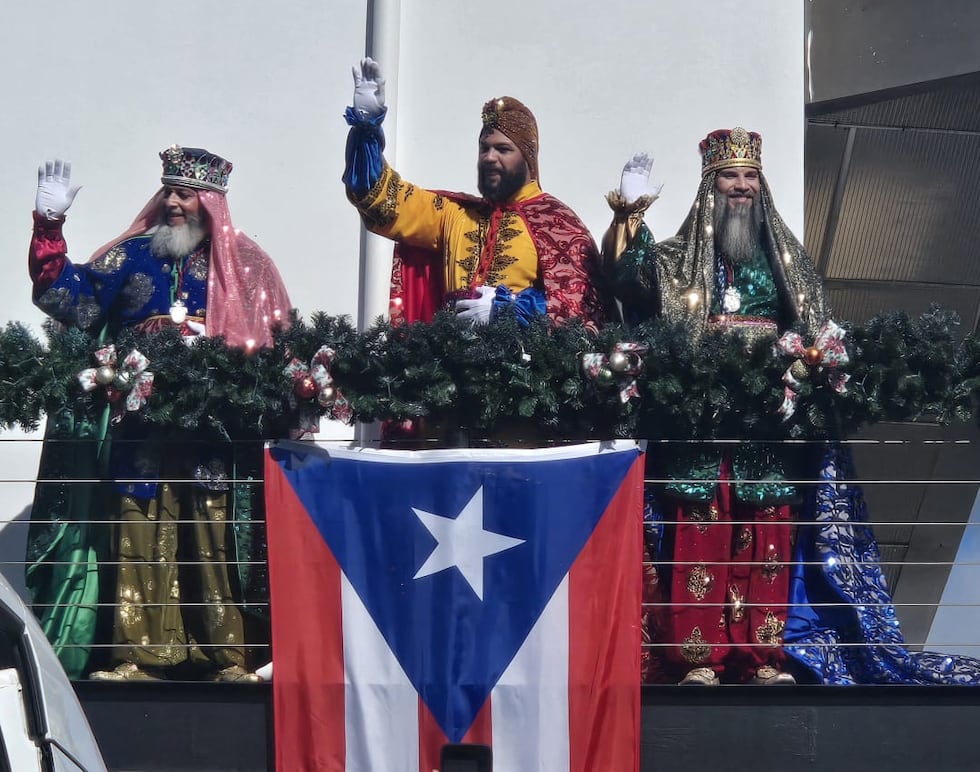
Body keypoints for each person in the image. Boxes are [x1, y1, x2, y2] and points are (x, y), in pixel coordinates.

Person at [604, 128, 980, 687]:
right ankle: (697, 659)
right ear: (710, 186)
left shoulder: (788, 261)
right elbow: (627, 280)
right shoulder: (675, 258)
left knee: (768, 537)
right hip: (701, 424)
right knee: (699, 531)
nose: (741, 186)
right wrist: (629, 215)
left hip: (768, 422)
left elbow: (814, 328)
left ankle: (762, 658)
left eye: (749, 176)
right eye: (729, 176)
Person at [28, 147, 292, 682]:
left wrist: (217, 346)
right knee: (138, 528)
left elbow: (276, 343)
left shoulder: (247, 264)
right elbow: (69, 301)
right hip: (140, 426)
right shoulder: (132, 256)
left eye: (185, 193)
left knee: (214, 534)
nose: (172, 202)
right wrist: (49, 228)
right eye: (168, 191)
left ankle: (229, 657)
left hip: (213, 431)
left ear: (210, 202)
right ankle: (137, 657)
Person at [343, 58, 612, 330]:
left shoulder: (557, 223)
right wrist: (366, 128)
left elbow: (583, 309)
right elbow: (381, 199)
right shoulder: (453, 213)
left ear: (528, 159)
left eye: (503, 149)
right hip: (450, 354)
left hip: (521, 357)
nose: (489, 157)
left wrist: (510, 309)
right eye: (484, 148)